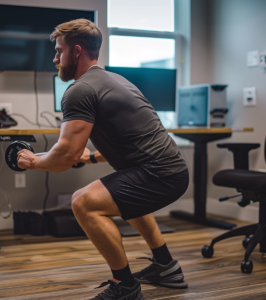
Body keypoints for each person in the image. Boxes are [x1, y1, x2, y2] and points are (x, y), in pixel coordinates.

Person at [17, 19, 189, 300]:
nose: (54, 58)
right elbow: (129, 139)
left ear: (76, 51)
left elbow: (64, 156)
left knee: (83, 202)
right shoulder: (115, 79)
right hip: (169, 169)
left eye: (59, 51)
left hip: (159, 173)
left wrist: (34, 161)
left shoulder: (80, 89)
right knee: (122, 194)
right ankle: (166, 266)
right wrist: (93, 158)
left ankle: (125, 287)